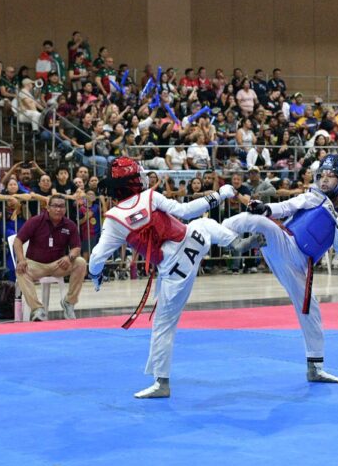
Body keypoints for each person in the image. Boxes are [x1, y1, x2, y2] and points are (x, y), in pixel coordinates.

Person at [88, 157, 257, 399]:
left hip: (175, 270)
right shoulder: (151, 197)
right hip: (195, 241)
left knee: (163, 326)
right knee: (203, 223)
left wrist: (96, 276)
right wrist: (219, 195)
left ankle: (162, 383)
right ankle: (234, 241)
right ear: (132, 181)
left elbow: (96, 256)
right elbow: (186, 211)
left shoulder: (114, 220)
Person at [222, 154, 338, 385]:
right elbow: (287, 206)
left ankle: (315, 368)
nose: (325, 180)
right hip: (286, 244)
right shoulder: (313, 197)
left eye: (331, 176)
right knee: (261, 221)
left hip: (300, 265)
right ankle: (220, 233)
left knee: (311, 311)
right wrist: (266, 208)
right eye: (322, 175)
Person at [13, 195, 86, 321]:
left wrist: (69, 257)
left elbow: (76, 248)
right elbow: (18, 241)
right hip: (35, 264)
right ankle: (37, 309)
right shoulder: (35, 221)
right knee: (20, 270)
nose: (58, 209)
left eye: (61, 206)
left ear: (65, 209)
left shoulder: (70, 225)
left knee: (80, 262)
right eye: (55, 206)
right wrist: (21, 260)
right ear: (48, 208)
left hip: (59, 265)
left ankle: (69, 302)